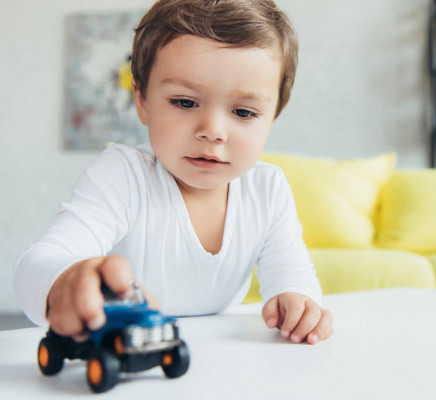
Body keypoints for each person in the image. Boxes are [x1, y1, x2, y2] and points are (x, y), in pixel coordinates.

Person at [14, 0, 333, 345]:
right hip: (129, 349)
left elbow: (293, 276)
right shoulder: (123, 176)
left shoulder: (267, 189)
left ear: (273, 116)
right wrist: (65, 282)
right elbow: (37, 266)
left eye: (243, 112)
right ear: (142, 100)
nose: (213, 131)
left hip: (221, 362)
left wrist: (300, 304)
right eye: (185, 102)